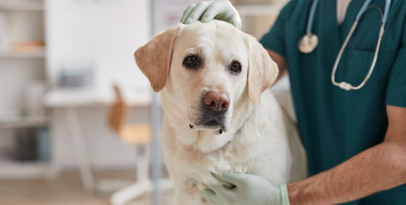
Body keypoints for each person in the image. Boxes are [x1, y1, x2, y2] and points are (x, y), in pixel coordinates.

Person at [179, 0, 406, 204]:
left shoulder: (400, 13)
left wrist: (283, 198)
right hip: (311, 181)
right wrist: (228, 36)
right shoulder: (300, 9)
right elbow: (250, 74)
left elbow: (402, 151)